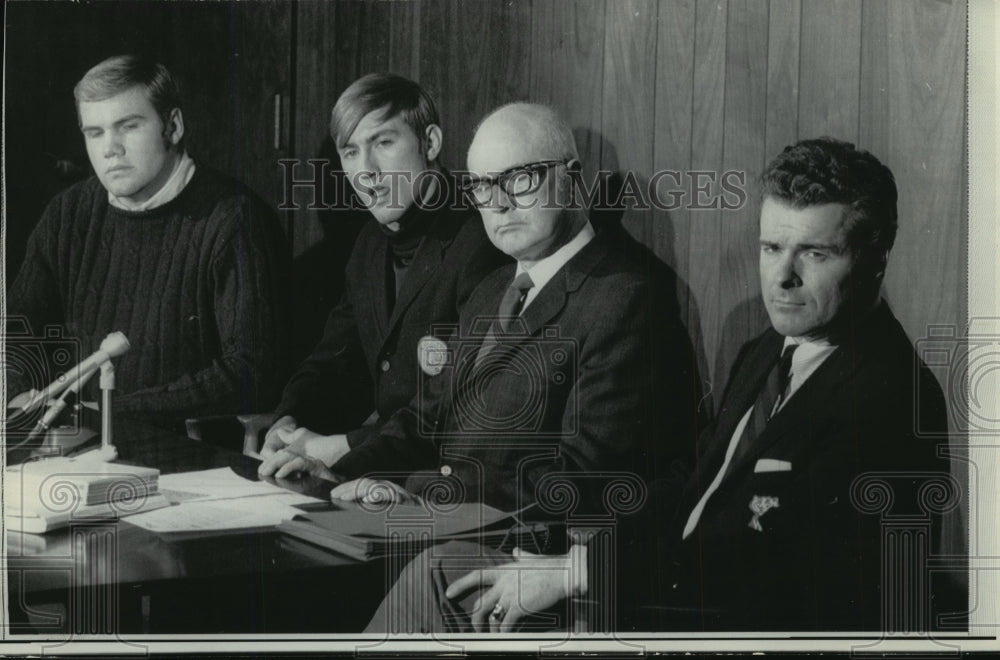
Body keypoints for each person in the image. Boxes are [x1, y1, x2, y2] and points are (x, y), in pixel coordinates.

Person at [366, 137, 955, 633]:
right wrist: (580, 555)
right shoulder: (766, 352)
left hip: (712, 622)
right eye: (772, 247)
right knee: (446, 567)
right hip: (663, 589)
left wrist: (581, 573)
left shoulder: (889, 398)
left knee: (450, 581)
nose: (783, 276)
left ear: (875, 260)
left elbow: (776, 575)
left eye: (815, 253)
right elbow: (694, 490)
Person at [262, 102, 696, 518]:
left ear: (570, 179)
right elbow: (424, 420)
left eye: (519, 179)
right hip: (446, 525)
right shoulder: (493, 288)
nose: (499, 203)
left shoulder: (622, 299)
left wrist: (418, 494)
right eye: (483, 186)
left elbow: (578, 478)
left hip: (520, 552)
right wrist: (342, 471)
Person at [6, 55, 290, 431]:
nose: (111, 148)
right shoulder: (67, 214)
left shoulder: (236, 220)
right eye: (95, 132)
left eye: (128, 126)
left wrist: (103, 414)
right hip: (75, 446)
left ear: (172, 127)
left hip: (191, 460)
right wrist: (15, 392)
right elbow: (14, 333)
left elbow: (250, 372)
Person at [257, 73, 507, 467]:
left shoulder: (480, 238)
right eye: (350, 152)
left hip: (446, 479)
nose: (365, 170)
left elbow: (451, 410)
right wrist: (289, 422)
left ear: (430, 143)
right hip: (380, 466)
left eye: (383, 143)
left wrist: (340, 447)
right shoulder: (370, 244)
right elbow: (335, 363)